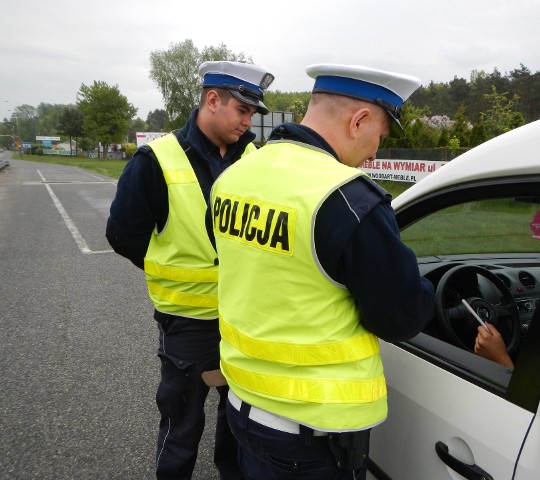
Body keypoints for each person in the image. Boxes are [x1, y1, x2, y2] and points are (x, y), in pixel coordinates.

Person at [209, 64, 436, 479]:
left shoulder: (235, 177)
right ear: (359, 120)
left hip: (242, 403)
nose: (374, 154)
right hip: (308, 435)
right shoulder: (348, 196)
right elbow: (402, 315)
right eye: (379, 138)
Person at [106, 60, 275, 480]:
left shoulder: (255, 159)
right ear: (212, 100)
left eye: (253, 114)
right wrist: (170, 266)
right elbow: (123, 233)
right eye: (242, 110)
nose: (247, 122)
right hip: (187, 325)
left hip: (245, 320)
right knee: (181, 427)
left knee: (239, 424)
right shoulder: (156, 160)